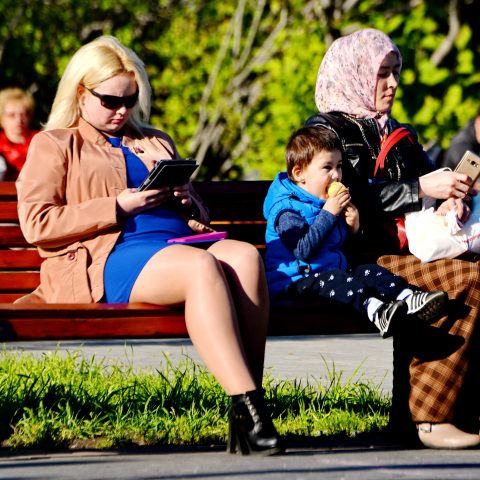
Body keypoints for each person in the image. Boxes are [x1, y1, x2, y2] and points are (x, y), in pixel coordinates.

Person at [15, 35, 282, 456]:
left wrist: (186, 200)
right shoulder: (55, 144)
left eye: (130, 99)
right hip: (109, 256)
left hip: (176, 241)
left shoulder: (155, 140)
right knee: (200, 269)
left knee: (245, 256)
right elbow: (36, 222)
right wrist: (116, 206)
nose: (122, 111)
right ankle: (254, 412)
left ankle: (247, 405)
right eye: (110, 101)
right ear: (81, 93)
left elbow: (198, 216)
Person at [305, 28, 480, 449]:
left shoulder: (397, 132)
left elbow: (432, 186)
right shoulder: (324, 132)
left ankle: (452, 410)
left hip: (402, 249)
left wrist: (454, 200)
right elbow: (345, 191)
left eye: (396, 72)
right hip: (355, 257)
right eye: (383, 73)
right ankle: (432, 418)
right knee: (466, 279)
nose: (393, 83)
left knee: (471, 269)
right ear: (356, 74)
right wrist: (420, 189)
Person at [263, 125, 447, 339]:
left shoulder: (325, 202)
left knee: (369, 271)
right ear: (299, 173)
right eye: (327, 168)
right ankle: (377, 311)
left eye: (339, 166)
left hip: (331, 274)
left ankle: (408, 297)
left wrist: (353, 227)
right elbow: (303, 250)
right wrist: (329, 213)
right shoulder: (287, 210)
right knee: (338, 279)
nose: (336, 175)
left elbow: (342, 247)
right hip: (295, 283)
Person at [0, 87, 39, 181]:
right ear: (1, 117)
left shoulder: (42, 140)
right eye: (11, 115)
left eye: (23, 114)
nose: (18, 120)